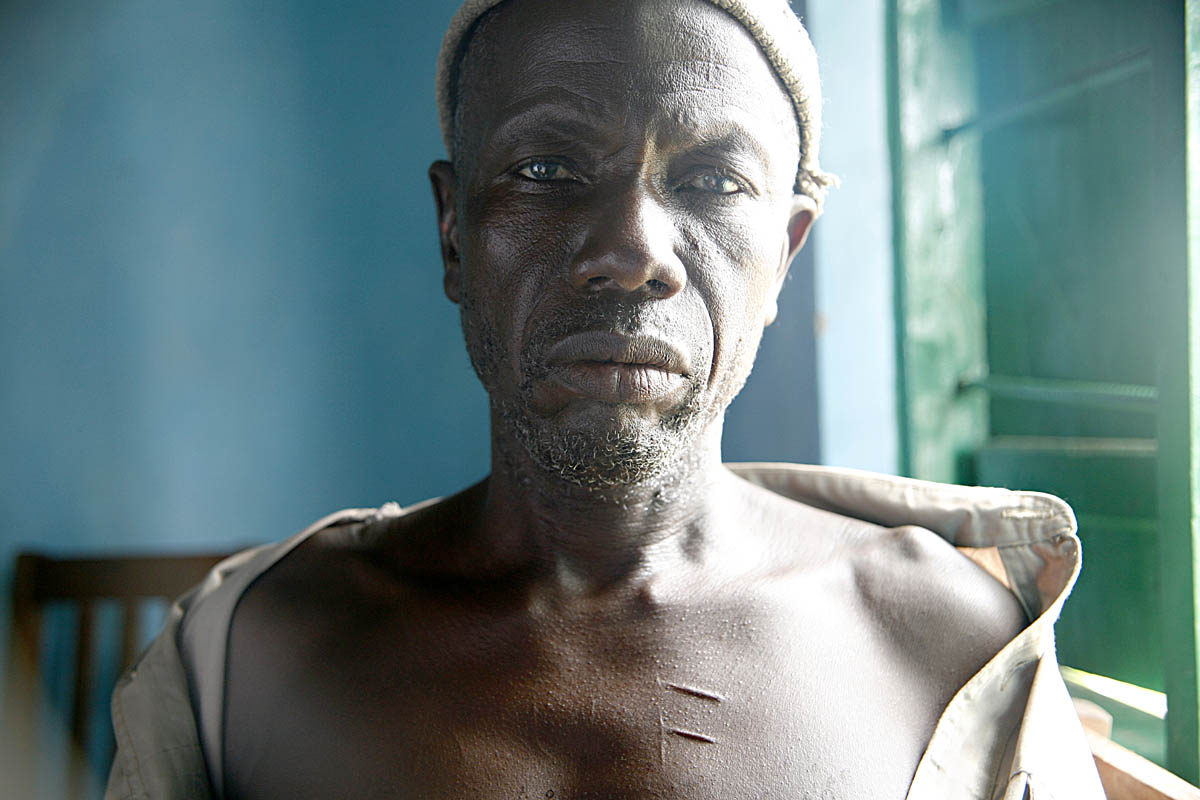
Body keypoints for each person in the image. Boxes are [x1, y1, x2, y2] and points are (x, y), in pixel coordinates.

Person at [106, 0, 1105, 797]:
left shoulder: (952, 642)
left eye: (713, 182)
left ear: (785, 253)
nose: (631, 250)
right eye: (548, 170)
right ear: (455, 232)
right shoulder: (251, 656)